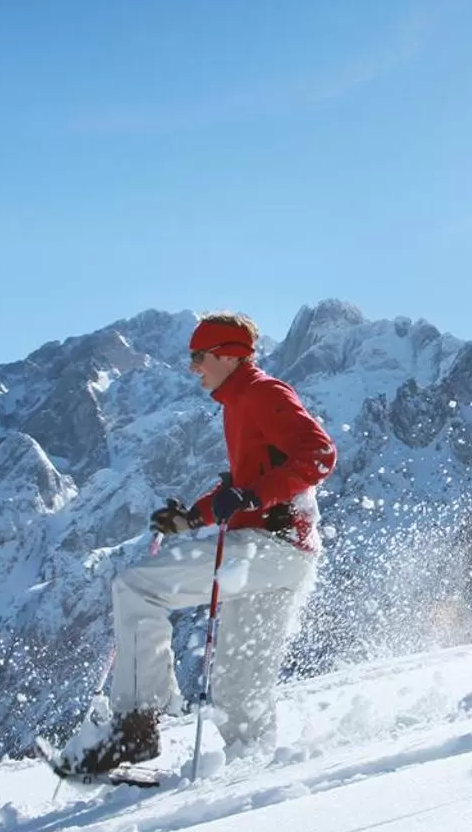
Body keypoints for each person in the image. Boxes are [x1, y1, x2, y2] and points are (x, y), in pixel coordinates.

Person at [55, 312, 337, 774]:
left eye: (199, 356)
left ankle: (137, 726)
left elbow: (320, 454)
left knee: (137, 588)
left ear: (228, 355)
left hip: (270, 545)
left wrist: (252, 495)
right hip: (282, 554)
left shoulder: (263, 393)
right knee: (237, 689)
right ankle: (250, 772)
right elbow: (243, 488)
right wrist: (191, 518)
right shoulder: (239, 401)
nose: (193, 367)